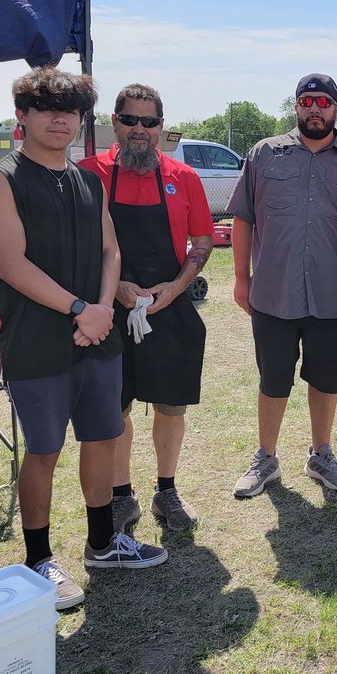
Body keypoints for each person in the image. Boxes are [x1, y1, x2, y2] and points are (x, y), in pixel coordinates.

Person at [0, 67, 166, 612]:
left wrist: (104, 308)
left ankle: (103, 543)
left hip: (99, 334)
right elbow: (11, 265)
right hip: (38, 341)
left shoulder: (89, 180)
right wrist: (81, 309)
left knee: (102, 437)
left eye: (70, 110)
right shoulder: (2, 180)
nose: (59, 118)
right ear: (23, 116)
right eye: (46, 107)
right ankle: (39, 559)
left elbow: (112, 251)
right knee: (43, 450)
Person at [80, 85, 214, 533]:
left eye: (149, 122)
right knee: (114, 410)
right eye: (130, 120)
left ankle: (167, 489)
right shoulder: (87, 174)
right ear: (114, 122)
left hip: (168, 308)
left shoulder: (185, 177)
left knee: (171, 406)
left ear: (161, 127)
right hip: (106, 309)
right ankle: (122, 495)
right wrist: (115, 286)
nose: (140, 130)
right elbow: (77, 247)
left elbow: (203, 242)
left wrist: (175, 288)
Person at [229, 73, 337, 498]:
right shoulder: (264, 154)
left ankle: (321, 454)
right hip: (273, 291)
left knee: (326, 380)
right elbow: (243, 218)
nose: (314, 108)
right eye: (306, 101)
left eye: (323, 101)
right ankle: (266, 458)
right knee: (273, 379)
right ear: (296, 107)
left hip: (335, 294)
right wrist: (240, 278)